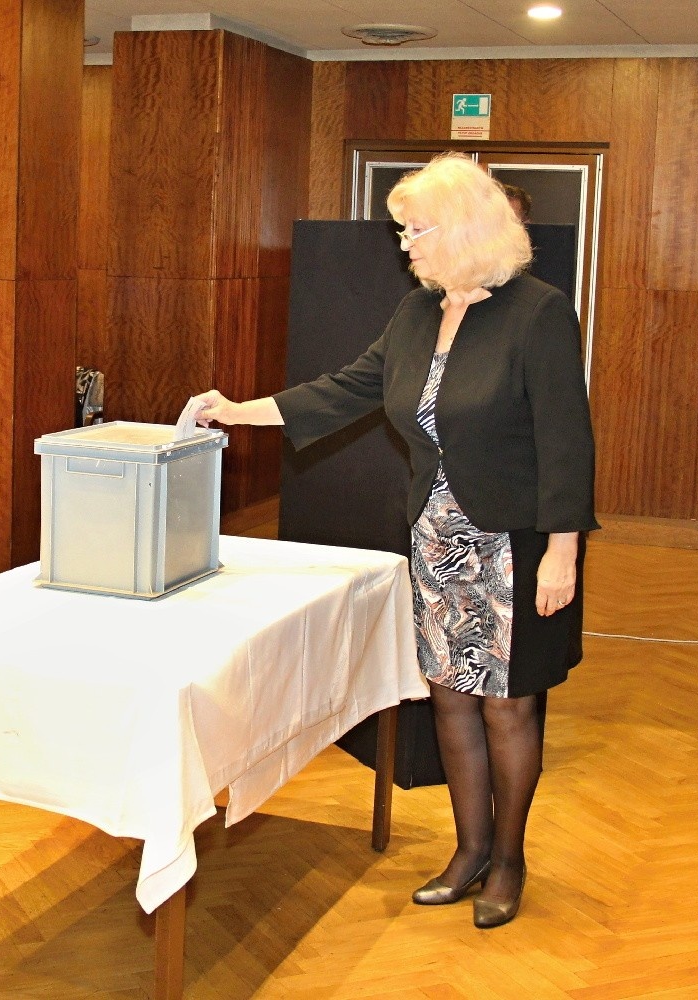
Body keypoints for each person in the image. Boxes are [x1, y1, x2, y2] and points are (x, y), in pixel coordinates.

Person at [193, 153, 598, 930]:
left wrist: (563, 551)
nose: (404, 244)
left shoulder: (538, 314)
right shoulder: (416, 313)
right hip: (435, 539)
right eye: (404, 230)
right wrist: (241, 410)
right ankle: (467, 851)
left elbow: (566, 442)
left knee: (508, 708)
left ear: (465, 228)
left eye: (416, 230)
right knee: (450, 700)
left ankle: (508, 862)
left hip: (511, 546)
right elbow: (348, 388)